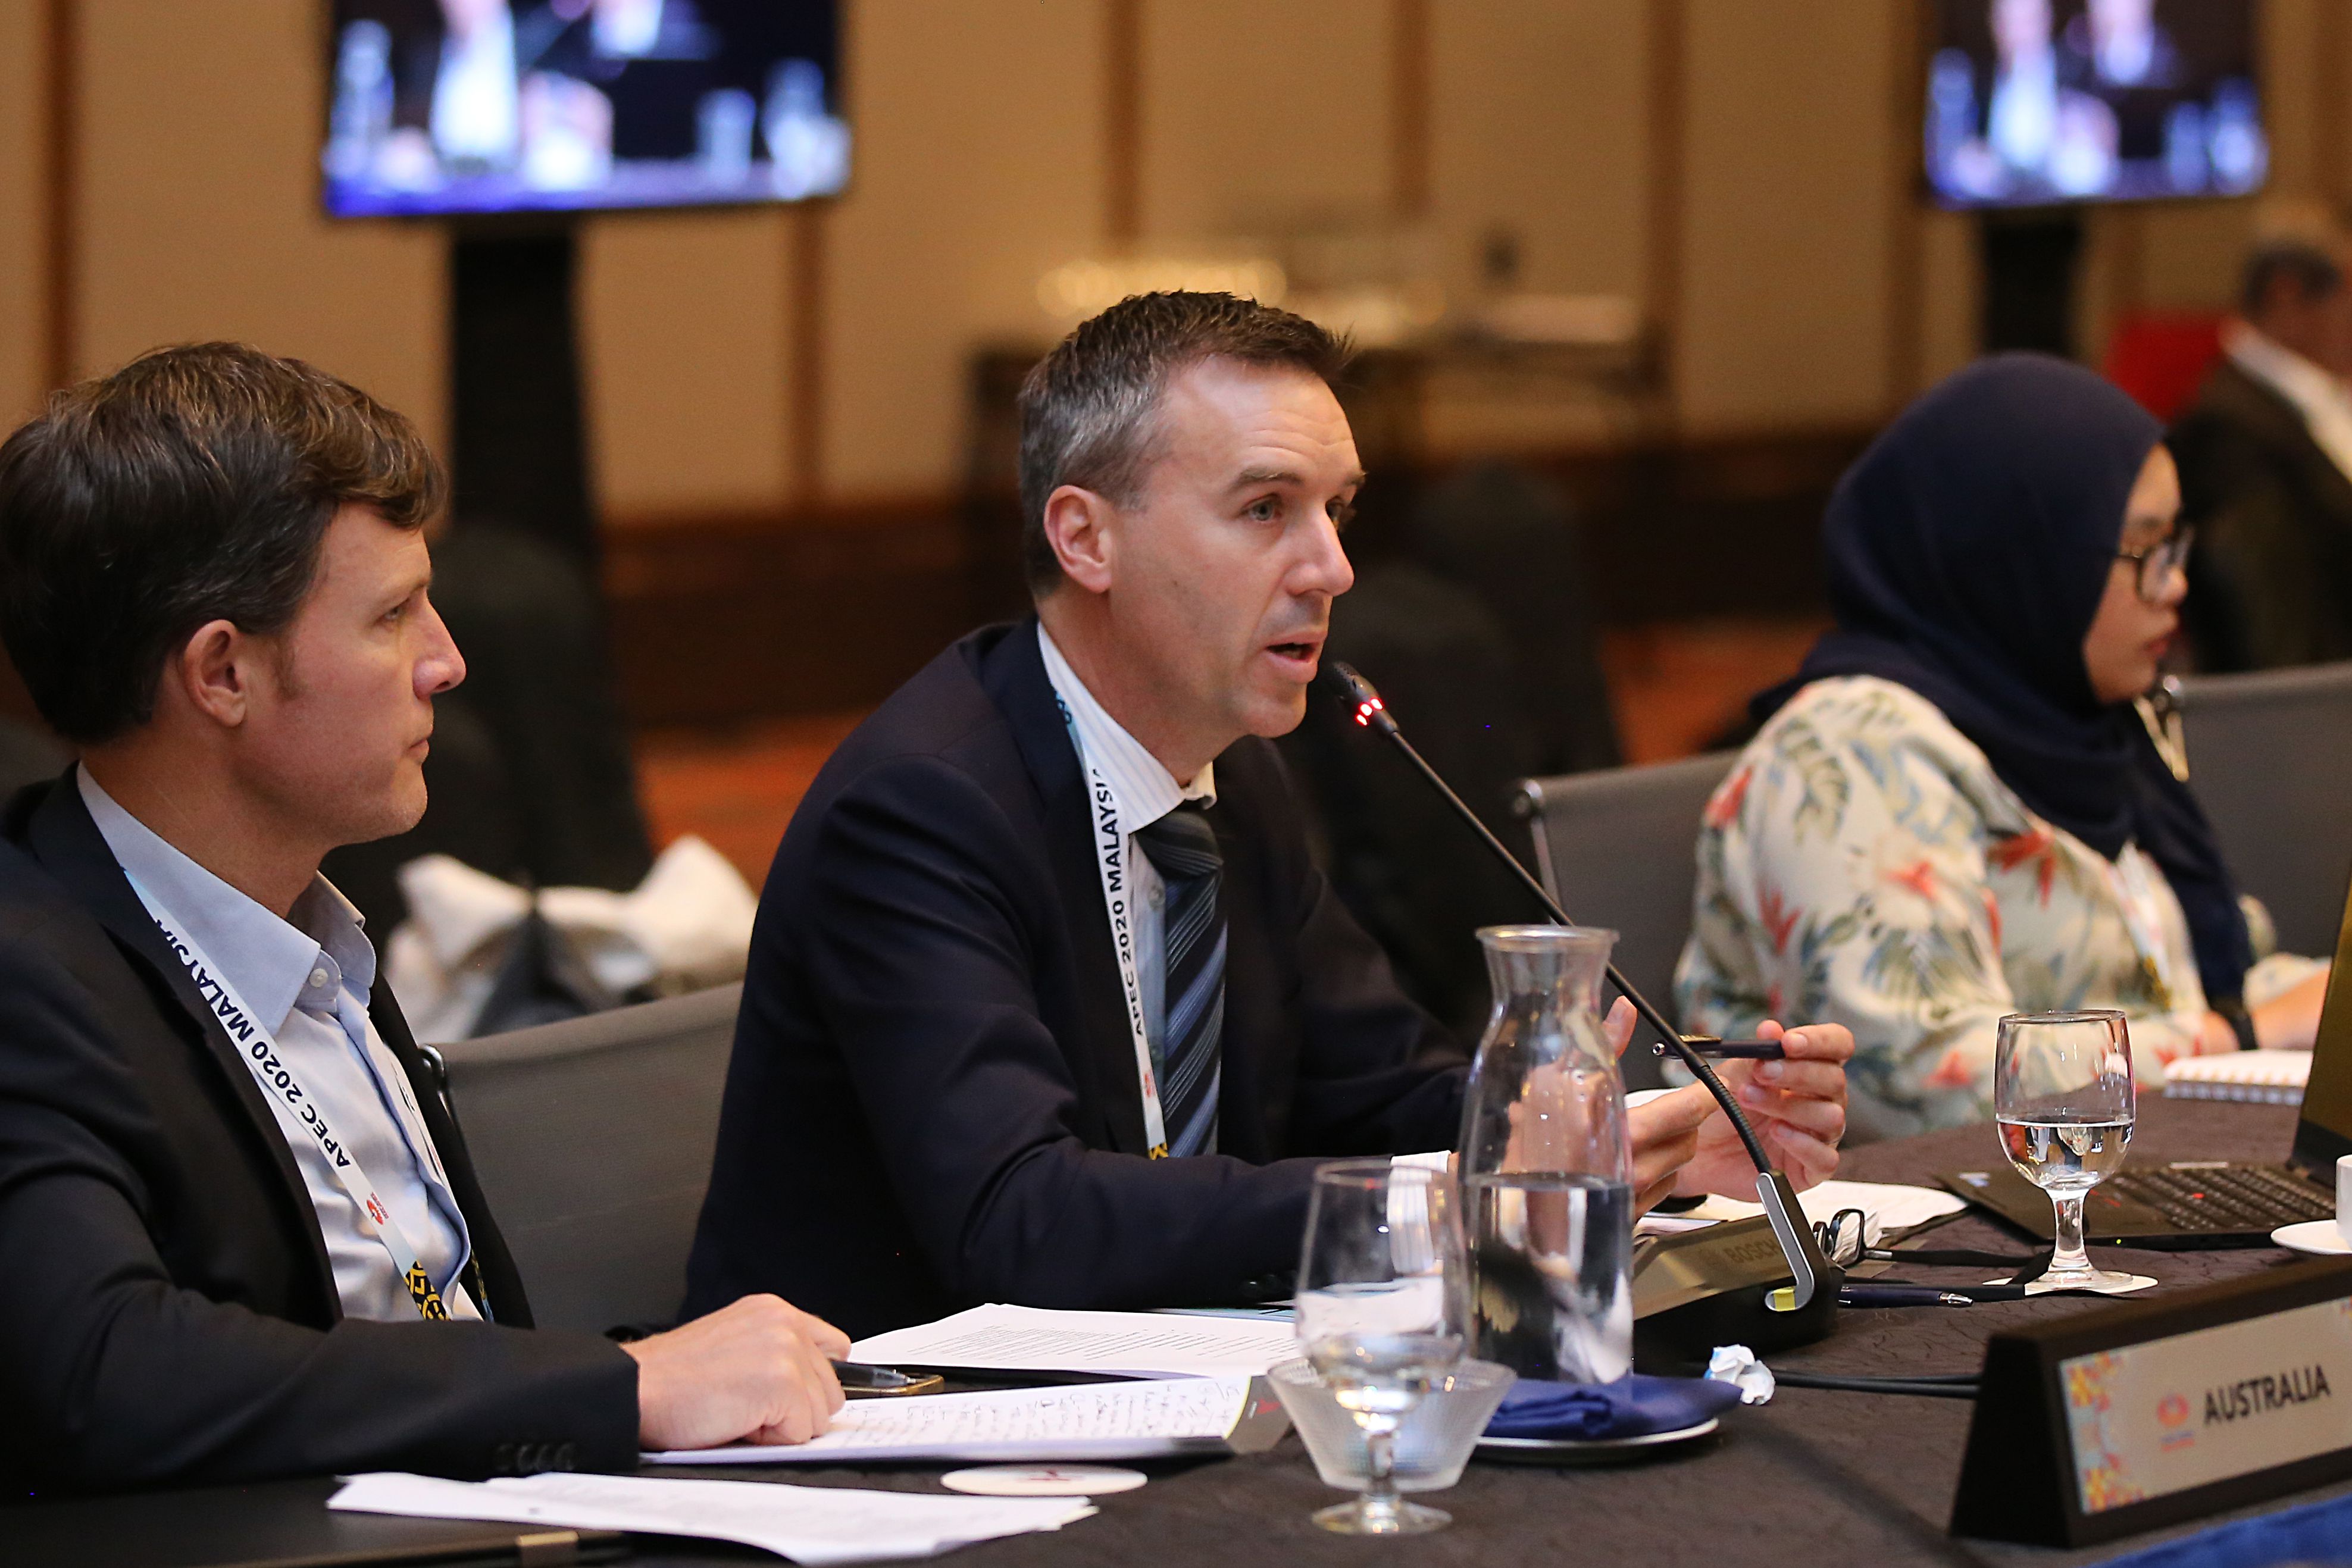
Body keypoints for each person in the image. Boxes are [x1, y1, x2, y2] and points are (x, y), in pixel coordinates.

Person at [686, 292, 1854, 1339]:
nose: (1331, 568)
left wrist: (1632, 1133)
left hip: (1165, 1386)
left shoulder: (1231, 775)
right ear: (1084, 538)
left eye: (1336, 509)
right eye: (1263, 509)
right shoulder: (922, 810)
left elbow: (1374, 1091)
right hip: (884, 1431)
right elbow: (1021, 1219)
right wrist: (1459, 1198)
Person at [0, 343, 849, 1491]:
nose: (446, 663)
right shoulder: (29, 971)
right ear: (223, 675)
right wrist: (620, 1389)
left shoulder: (309, 934)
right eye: (394, 614)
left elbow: (435, 1313)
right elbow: (103, 1371)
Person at [1677, 354, 2330, 1141]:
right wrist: (2246, 1034)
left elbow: (2209, 977)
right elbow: (1925, 1083)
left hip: (2123, 1176)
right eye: (2142, 551)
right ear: (2020, 557)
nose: (2175, 585)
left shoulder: (2084, 721)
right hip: (1905, 1205)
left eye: (2176, 543)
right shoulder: (1849, 753)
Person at [2170, 236, 2352, 671]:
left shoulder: (2307, 403)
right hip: (2311, 698)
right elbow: (2277, 628)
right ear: (2286, 297)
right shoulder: (2231, 429)